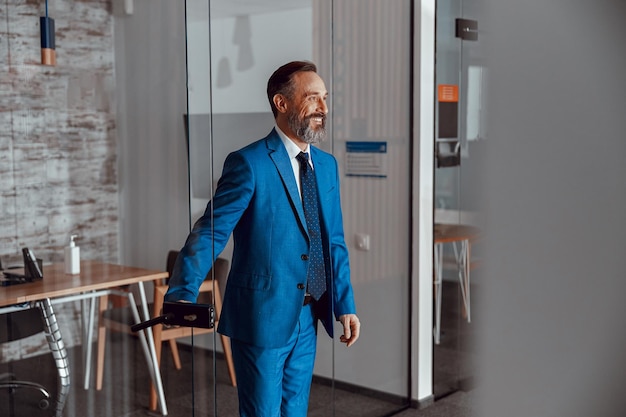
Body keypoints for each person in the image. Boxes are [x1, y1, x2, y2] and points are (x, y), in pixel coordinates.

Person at [165, 60, 360, 416]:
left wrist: (344, 304)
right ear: (281, 103)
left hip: (309, 316)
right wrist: (181, 297)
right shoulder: (249, 163)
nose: (323, 108)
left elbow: (334, 242)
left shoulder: (327, 165)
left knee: (295, 410)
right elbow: (210, 232)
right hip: (261, 318)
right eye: (312, 97)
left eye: (325, 98)